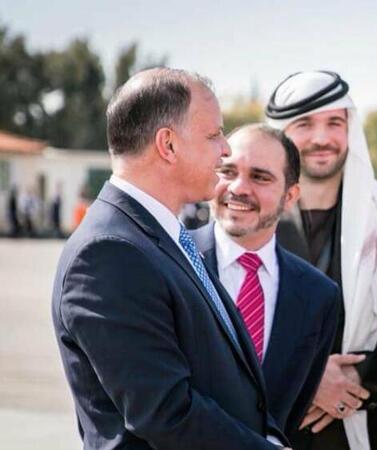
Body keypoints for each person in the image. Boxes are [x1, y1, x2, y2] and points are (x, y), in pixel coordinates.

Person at [51, 68, 289, 449]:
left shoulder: (164, 235)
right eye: (214, 135)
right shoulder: (108, 254)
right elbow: (165, 413)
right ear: (168, 145)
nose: (225, 149)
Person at [266, 70, 377, 450]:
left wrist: (355, 379)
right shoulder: (252, 219)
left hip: (375, 429)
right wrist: (308, 381)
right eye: (305, 124)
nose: (322, 138)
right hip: (275, 429)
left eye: (334, 123)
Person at [191, 124, 340, 441]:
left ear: (290, 196)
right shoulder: (169, 260)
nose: (238, 188)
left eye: (259, 177)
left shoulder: (319, 296)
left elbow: (291, 412)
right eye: (227, 172)